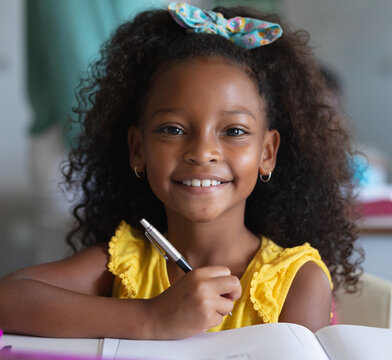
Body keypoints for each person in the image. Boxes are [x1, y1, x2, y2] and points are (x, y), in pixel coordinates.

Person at [0, 2, 362, 339]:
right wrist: (152, 318)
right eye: (172, 129)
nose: (203, 152)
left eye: (234, 131)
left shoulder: (297, 280)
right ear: (137, 150)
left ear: (267, 153)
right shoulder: (124, 259)